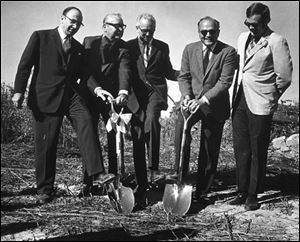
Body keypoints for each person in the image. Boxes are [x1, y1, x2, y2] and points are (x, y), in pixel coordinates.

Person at [12, 7, 115, 204]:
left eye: (79, 23)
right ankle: (44, 189)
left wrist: (98, 89)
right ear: (62, 18)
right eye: (72, 21)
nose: (75, 26)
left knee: (86, 119)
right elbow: (25, 65)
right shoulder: (41, 37)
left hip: (70, 96)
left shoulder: (77, 48)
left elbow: (86, 75)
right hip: (45, 98)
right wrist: (18, 91)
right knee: (46, 144)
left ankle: (97, 173)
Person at [229, 2, 293, 211]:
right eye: (248, 23)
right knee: (241, 148)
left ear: (266, 22)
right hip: (240, 99)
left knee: (258, 149)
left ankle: (253, 194)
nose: (251, 28)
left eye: (255, 24)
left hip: (261, 102)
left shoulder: (277, 41)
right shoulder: (242, 38)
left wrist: (270, 96)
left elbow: (284, 76)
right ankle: (241, 190)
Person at [174, 16, 237, 204]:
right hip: (191, 102)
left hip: (213, 105)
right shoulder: (189, 49)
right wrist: (186, 96)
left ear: (218, 31)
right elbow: (183, 76)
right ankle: (180, 178)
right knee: (181, 134)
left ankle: (203, 189)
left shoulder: (228, 52)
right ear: (198, 31)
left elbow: (225, 82)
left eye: (212, 31)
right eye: (204, 31)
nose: (208, 34)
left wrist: (202, 100)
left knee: (209, 147)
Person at [126, 13, 179, 209]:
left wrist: (185, 75)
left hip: (156, 93)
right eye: (143, 30)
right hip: (135, 95)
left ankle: (153, 167)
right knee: (138, 133)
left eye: (150, 31)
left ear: (154, 30)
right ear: (137, 27)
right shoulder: (128, 46)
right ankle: (142, 180)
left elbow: (168, 71)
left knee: (152, 121)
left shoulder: (162, 47)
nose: (146, 34)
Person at [81, 13, 131, 193]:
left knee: (114, 137)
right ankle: (88, 183)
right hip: (90, 94)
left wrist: (123, 91)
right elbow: (85, 72)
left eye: (122, 26)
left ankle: (113, 180)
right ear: (104, 26)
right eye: (116, 26)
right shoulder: (89, 42)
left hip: (112, 99)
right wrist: (97, 89)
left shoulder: (124, 48)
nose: (119, 30)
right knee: (89, 136)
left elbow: (125, 70)